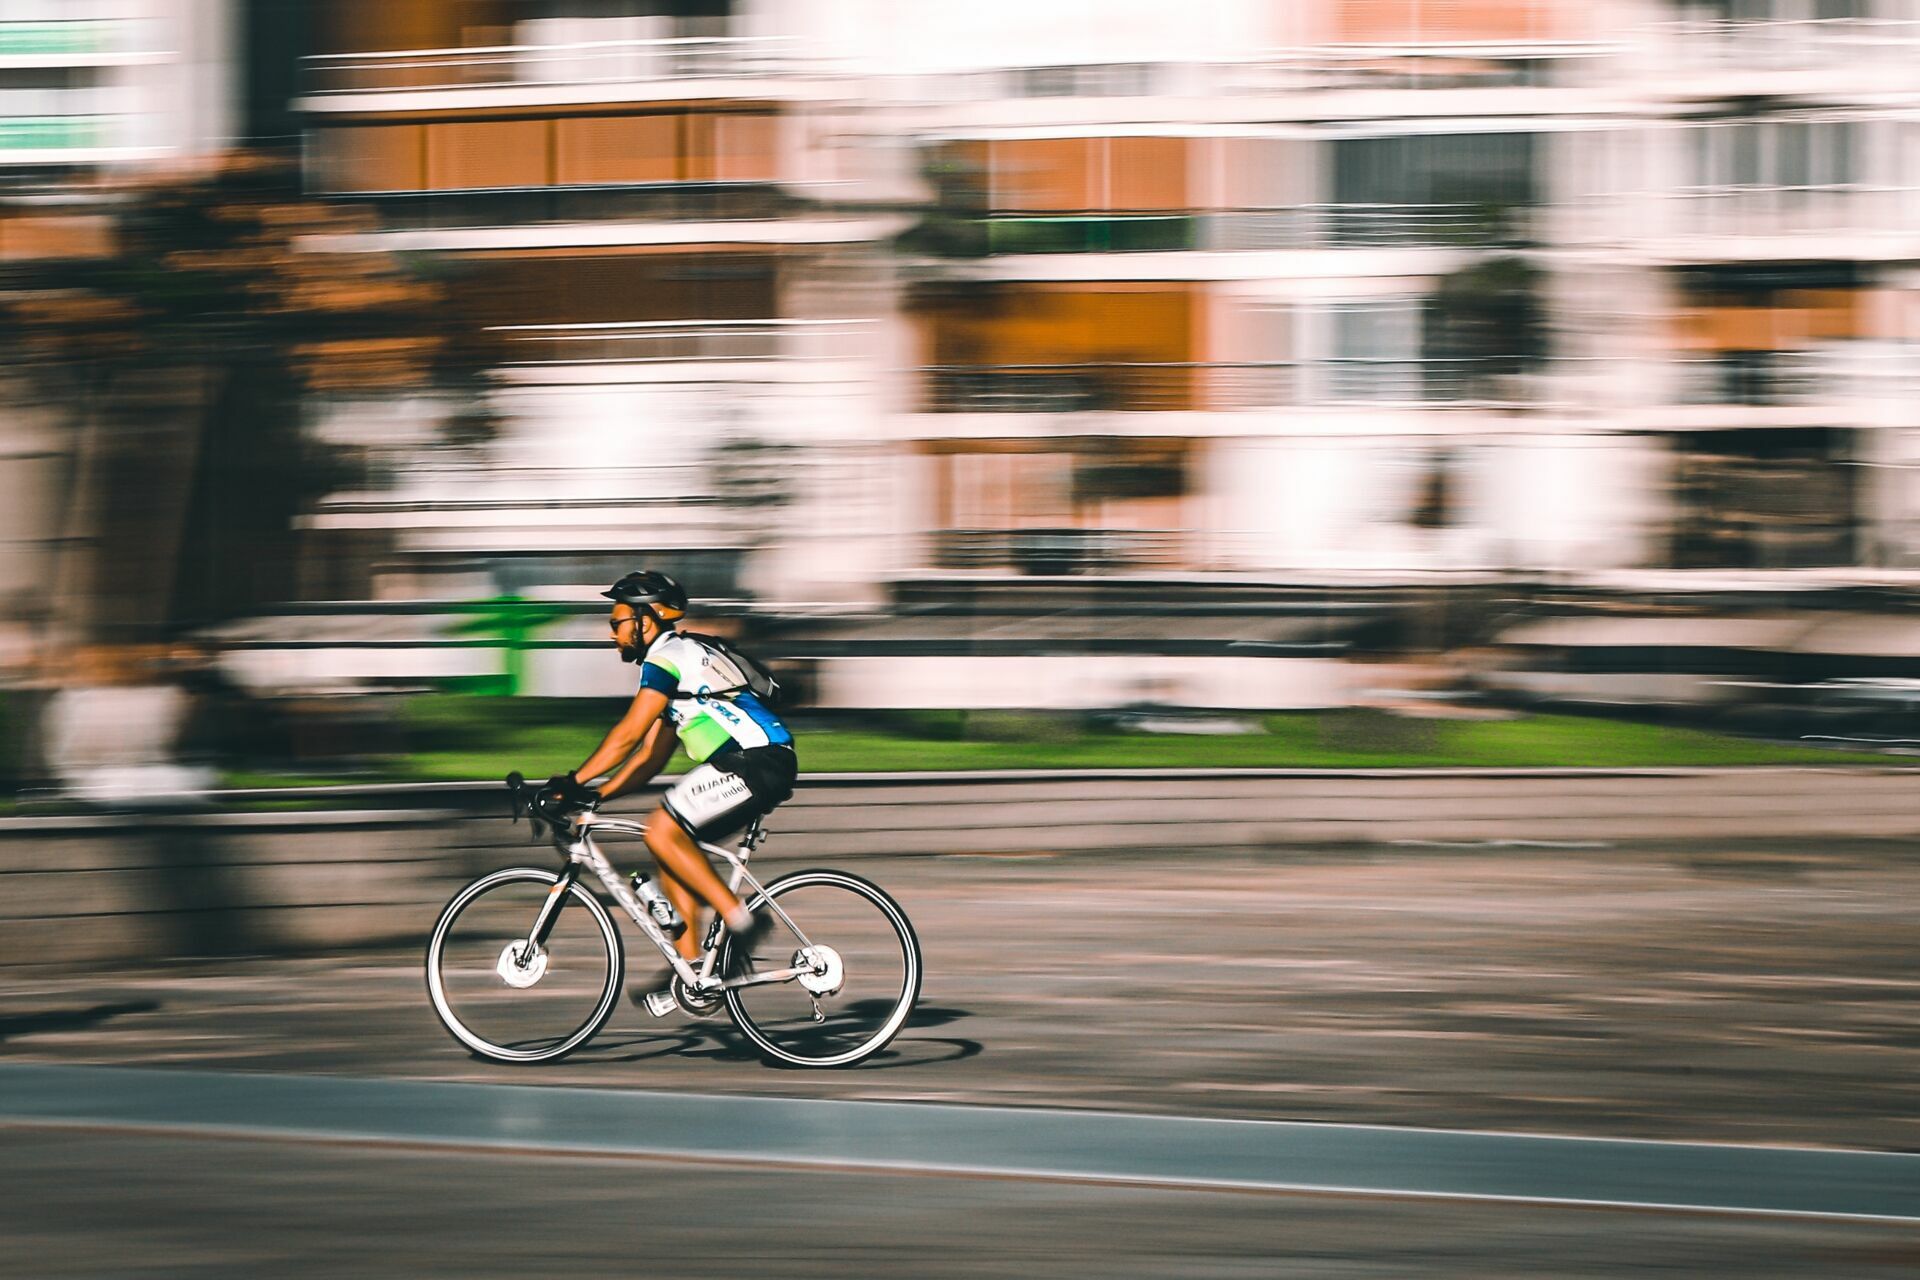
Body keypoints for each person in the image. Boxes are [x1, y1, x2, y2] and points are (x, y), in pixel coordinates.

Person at [538, 570, 795, 993]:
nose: (612, 634)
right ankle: (692, 972)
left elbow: (628, 734)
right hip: (755, 762)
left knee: (661, 829)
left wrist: (571, 781)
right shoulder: (682, 666)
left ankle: (743, 920)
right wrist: (596, 794)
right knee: (670, 848)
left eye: (617, 623)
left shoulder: (668, 657)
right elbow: (649, 757)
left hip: (755, 760)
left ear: (645, 619)